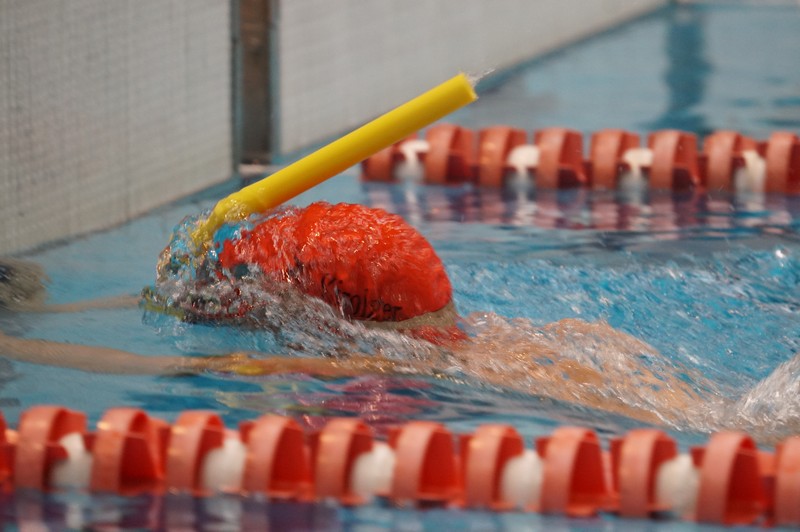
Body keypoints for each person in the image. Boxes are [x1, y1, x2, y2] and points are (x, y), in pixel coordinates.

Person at [0, 202, 794, 440]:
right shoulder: (482, 332)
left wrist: (13, 343)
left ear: (337, 314)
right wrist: (50, 304)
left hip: (729, 442)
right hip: (728, 407)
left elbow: (159, 371)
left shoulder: (374, 368)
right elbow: (189, 301)